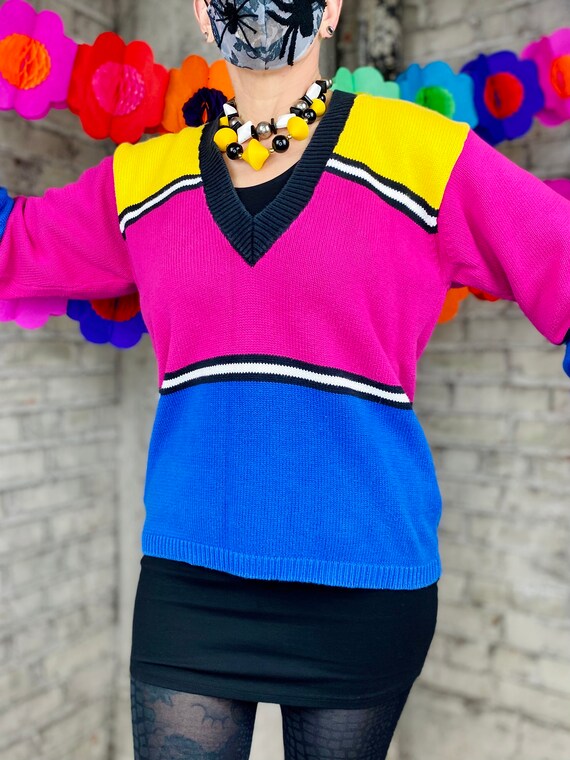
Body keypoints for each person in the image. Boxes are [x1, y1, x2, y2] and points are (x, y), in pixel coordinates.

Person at [1, 0, 569, 758]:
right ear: (203, 14)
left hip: (363, 577)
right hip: (191, 572)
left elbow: (557, 256)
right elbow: (18, 245)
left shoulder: (423, 154)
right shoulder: (142, 180)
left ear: (331, 9)